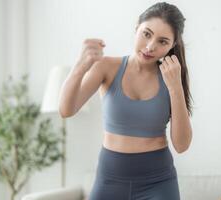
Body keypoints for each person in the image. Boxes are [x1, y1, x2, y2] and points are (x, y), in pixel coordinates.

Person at [59, 2, 193, 200]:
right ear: (136, 27)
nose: (150, 47)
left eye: (162, 41)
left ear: (173, 45)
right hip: (109, 180)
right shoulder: (106, 67)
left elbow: (181, 145)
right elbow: (66, 110)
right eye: (146, 34)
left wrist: (175, 87)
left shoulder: (172, 77)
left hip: (158, 182)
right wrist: (80, 65)